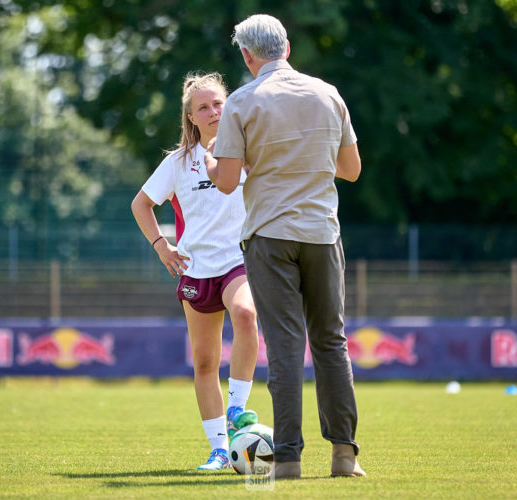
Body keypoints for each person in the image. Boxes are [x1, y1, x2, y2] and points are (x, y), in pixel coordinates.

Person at [205, 14, 365, 479]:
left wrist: (215, 159)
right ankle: (344, 457)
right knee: (332, 343)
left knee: (285, 346)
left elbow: (228, 181)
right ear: (288, 47)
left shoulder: (240, 102)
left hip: (271, 236)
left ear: (246, 56)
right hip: (322, 233)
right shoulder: (328, 94)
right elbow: (351, 169)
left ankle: (289, 460)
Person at [131, 72, 259, 471]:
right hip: (194, 270)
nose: (213, 111)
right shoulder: (177, 163)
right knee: (204, 364)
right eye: (203, 106)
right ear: (191, 117)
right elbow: (141, 205)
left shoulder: (247, 152)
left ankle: (238, 408)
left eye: (218, 103)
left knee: (246, 313)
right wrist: (161, 246)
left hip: (237, 261)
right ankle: (220, 450)